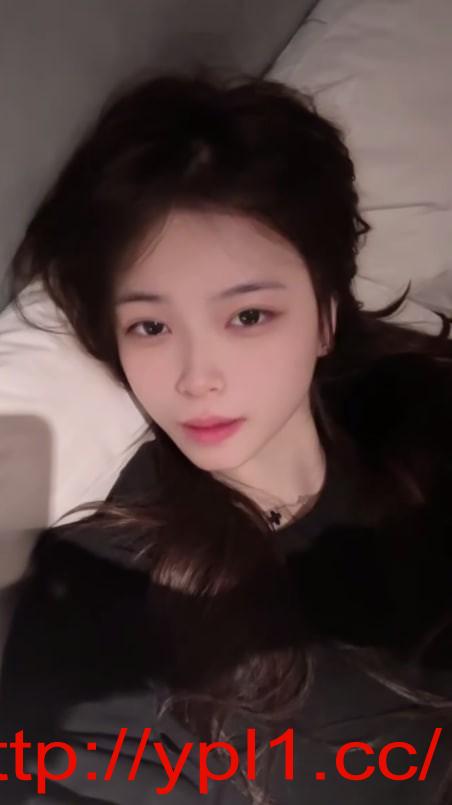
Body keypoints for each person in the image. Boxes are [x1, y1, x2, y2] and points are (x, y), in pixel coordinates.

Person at [0, 69, 451, 805]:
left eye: (247, 316)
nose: (196, 377)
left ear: (326, 316)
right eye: (151, 326)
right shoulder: (103, 590)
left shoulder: (418, 413)